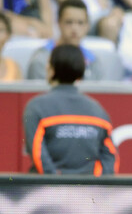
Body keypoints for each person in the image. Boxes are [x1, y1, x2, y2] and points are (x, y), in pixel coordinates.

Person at [23, 44, 119, 175]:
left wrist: (58, 184)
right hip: (90, 192)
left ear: (52, 69)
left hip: (46, 192)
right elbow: (110, 158)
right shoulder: (98, 110)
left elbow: (38, 155)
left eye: (48, 63)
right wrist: (96, 186)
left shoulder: (36, 106)